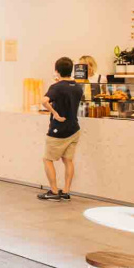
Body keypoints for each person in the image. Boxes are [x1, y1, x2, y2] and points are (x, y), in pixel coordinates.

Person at [38, 57, 84, 201]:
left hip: (59, 130)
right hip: (74, 128)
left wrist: (55, 113)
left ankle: (54, 191)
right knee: (68, 160)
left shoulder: (56, 87)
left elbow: (44, 101)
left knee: (47, 159)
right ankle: (66, 191)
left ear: (57, 70)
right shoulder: (78, 87)